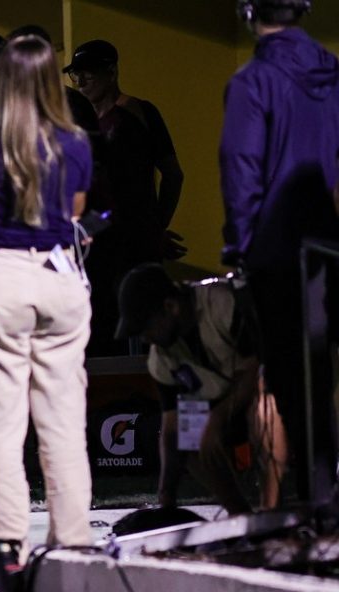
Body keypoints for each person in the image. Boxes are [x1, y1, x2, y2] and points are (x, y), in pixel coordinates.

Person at [0, 35, 93, 568]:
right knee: (62, 420)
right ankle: (74, 541)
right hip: (60, 277)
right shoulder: (74, 141)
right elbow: (76, 210)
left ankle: (9, 542)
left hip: (4, 276)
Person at [220, 0, 339, 504]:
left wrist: (240, 248)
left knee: (290, 383)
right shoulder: (334, 72)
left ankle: (318, 504)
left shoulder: (255, 80)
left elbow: (241, 167)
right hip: (330, 245)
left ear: (249, 12)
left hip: (277, 252)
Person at [115, 264, 287, 513]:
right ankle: (239, 515)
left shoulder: (222, 303)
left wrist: (215, 421)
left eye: (147, 327)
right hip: (221, 408)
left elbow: (255, 370)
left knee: (263, 410)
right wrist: (166, 495)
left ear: (170, 307)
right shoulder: (161, 357)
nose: (145, 338)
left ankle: (271, 510)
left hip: (268, 394)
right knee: (189, 434)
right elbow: (171, 427)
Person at [63, 39, 185, 354]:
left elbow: (173, 174)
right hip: (97, 243)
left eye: (88, 73)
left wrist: (156, 226)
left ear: (112, 72)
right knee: (101, 330)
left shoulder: (138, 112)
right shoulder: (78, 121)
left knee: (142, 327)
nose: (81, 81)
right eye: (76, 75)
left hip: (135, 241)